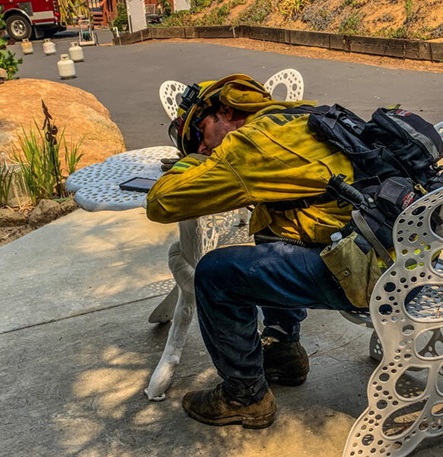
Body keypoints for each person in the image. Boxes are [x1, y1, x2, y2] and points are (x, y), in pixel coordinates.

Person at [146, 74, 363, 429]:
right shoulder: (300, 115)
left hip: (362, 274)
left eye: (199, 134)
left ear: (226, 111)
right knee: (270, 225)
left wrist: (190, 161)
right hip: (401, 257)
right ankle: (283, 350)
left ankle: (245, 396)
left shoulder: (249, 145)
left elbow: (160, 203)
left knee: (215, 273)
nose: (203, 148)